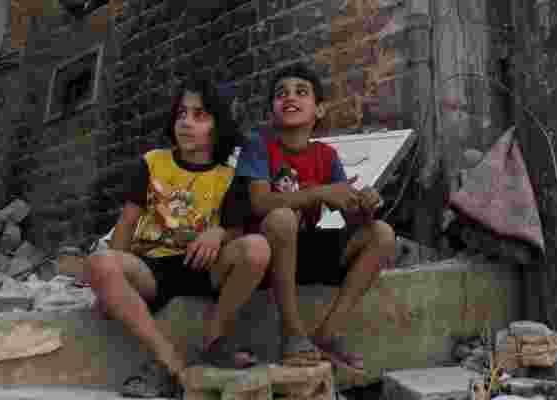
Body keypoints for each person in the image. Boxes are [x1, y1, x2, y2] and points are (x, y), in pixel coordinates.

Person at [87, 73, 269, 399]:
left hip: (203, 266)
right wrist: (109, 287)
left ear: (217, 125)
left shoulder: (229, 176)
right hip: (152, 268)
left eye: (199, 115)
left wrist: (217, 233)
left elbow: (236, 232)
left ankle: (214, 339)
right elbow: (127, 223)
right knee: (100, 262)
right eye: (182, 114)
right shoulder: (152, 163)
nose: (186, 122)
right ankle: (171, 363)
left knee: (257, 248)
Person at [235, 63, 397, 371]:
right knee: (282, 219)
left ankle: (328, 334)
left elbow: (351, 218)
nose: (290, 97)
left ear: (319, 109)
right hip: (264, 258)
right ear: (271, 111)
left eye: (301, 92)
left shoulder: (326, 156)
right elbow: (259, 203)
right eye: (281, 93)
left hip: (305, 252)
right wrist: (319, 193)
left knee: (381, 233)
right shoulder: (258, 145)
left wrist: (365, 205)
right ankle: (292, 334)